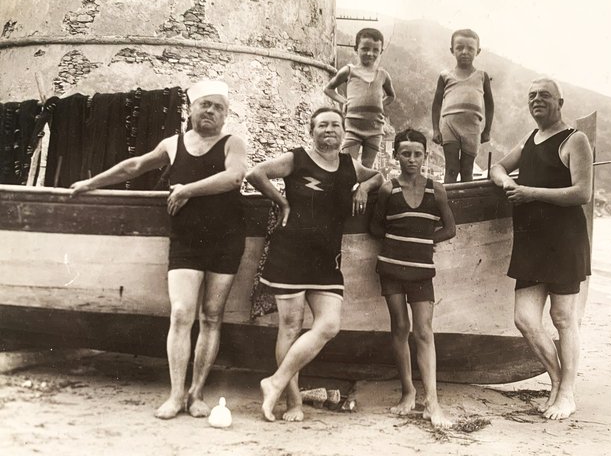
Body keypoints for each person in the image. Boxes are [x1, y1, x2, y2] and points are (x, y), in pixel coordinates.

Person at [70, 80, 248, 420]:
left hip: (226, 240)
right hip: (186, 241)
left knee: (211, 316)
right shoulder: (172, 144)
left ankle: (197, 393)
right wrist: (91, 183)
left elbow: (235, 178)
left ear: (226, 115)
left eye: (218, 107)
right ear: (191, 109)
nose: (210, 111)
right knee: (181, 313)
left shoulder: (232, 143)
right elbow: (134, 166)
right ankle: (176, 394)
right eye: (205, 104)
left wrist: (187, 190)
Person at [246, 107, 384, 422]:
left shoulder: (349, 165)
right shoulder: (297, 159)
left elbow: (377, 176)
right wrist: (281, 201)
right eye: (322, 125)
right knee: (290, 327)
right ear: (312, 131)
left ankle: (274, 382)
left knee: (329, 325)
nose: (329, 129)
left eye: (335, 125)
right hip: (290, 252)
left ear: (344, 132)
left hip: (326, 259)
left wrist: (363, 188)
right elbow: (255, 174)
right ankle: (293, 403)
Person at [489, 78, 593, 420]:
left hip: (564, 241)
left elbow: (582, 193)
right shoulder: (530, 139)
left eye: (544, 95)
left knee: (563, 318)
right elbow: (497, 167)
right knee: (524, 318)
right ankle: (557, 381)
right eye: (531, 95)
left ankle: (567, 394)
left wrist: (530, 193)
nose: (536, 100)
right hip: (532, 241)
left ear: (559, 102)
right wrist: (507, 181)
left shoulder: (575, 140)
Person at [369, 128, 456, 428]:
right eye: (405, 153)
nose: (412, 159)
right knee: (400, 328)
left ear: (426, 156)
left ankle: (432, 401)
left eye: (417, 154)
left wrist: (424, 240)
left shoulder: (436, 190)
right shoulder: (388, 190)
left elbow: (450, 229)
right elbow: (375, 228)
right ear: (395, 155)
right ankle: (408, 393)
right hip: (391, 269)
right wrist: (399, 240)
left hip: (421, 271)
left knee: (424, 331)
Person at [324, 27, 396, 168]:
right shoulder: (349, 71)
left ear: (381, 52)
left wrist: (379, 104)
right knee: (347, 165)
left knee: (367, 167)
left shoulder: (383, 75)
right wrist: (344, 101)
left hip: (375, 129)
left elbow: (391, 96)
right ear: (356, 49)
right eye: (365, 49)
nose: (370, 53)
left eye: (375, 50)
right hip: (353, 128)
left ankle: (364, 183)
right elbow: (328, 89)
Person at [432, 28, 494, 183]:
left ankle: (467, 199)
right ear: (452, 50)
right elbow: (437, 104)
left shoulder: (482, 76)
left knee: (467, 170)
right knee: (451, 168)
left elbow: (489, 105)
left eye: (470, 48)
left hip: (472, 128)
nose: (465, 52)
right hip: (450, 126)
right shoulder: (445, 76)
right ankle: (448, 199)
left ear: (478, 51)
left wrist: (487, 130)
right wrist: (435, 129)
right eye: (459, 48)